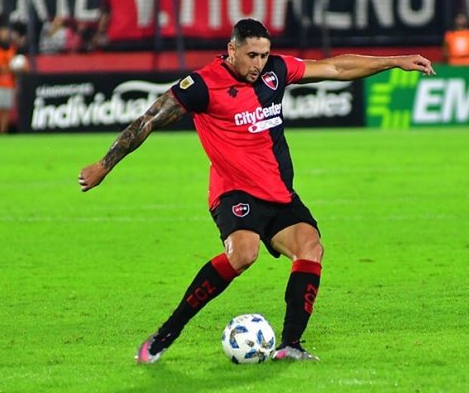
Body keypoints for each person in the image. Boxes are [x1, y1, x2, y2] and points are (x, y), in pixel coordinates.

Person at [78, 18, 436, 364]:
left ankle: (291, 345)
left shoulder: (275, 72)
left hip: (278, 191)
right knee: (244, 254)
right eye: (252, 55)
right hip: (235, 192)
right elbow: (149, 120)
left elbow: (336, 68)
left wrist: (395, 61)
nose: (259, 64)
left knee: (310, 247)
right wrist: (104, 165)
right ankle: (166, 334)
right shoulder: (203, 85)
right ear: (231, 49)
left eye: (264, 55)